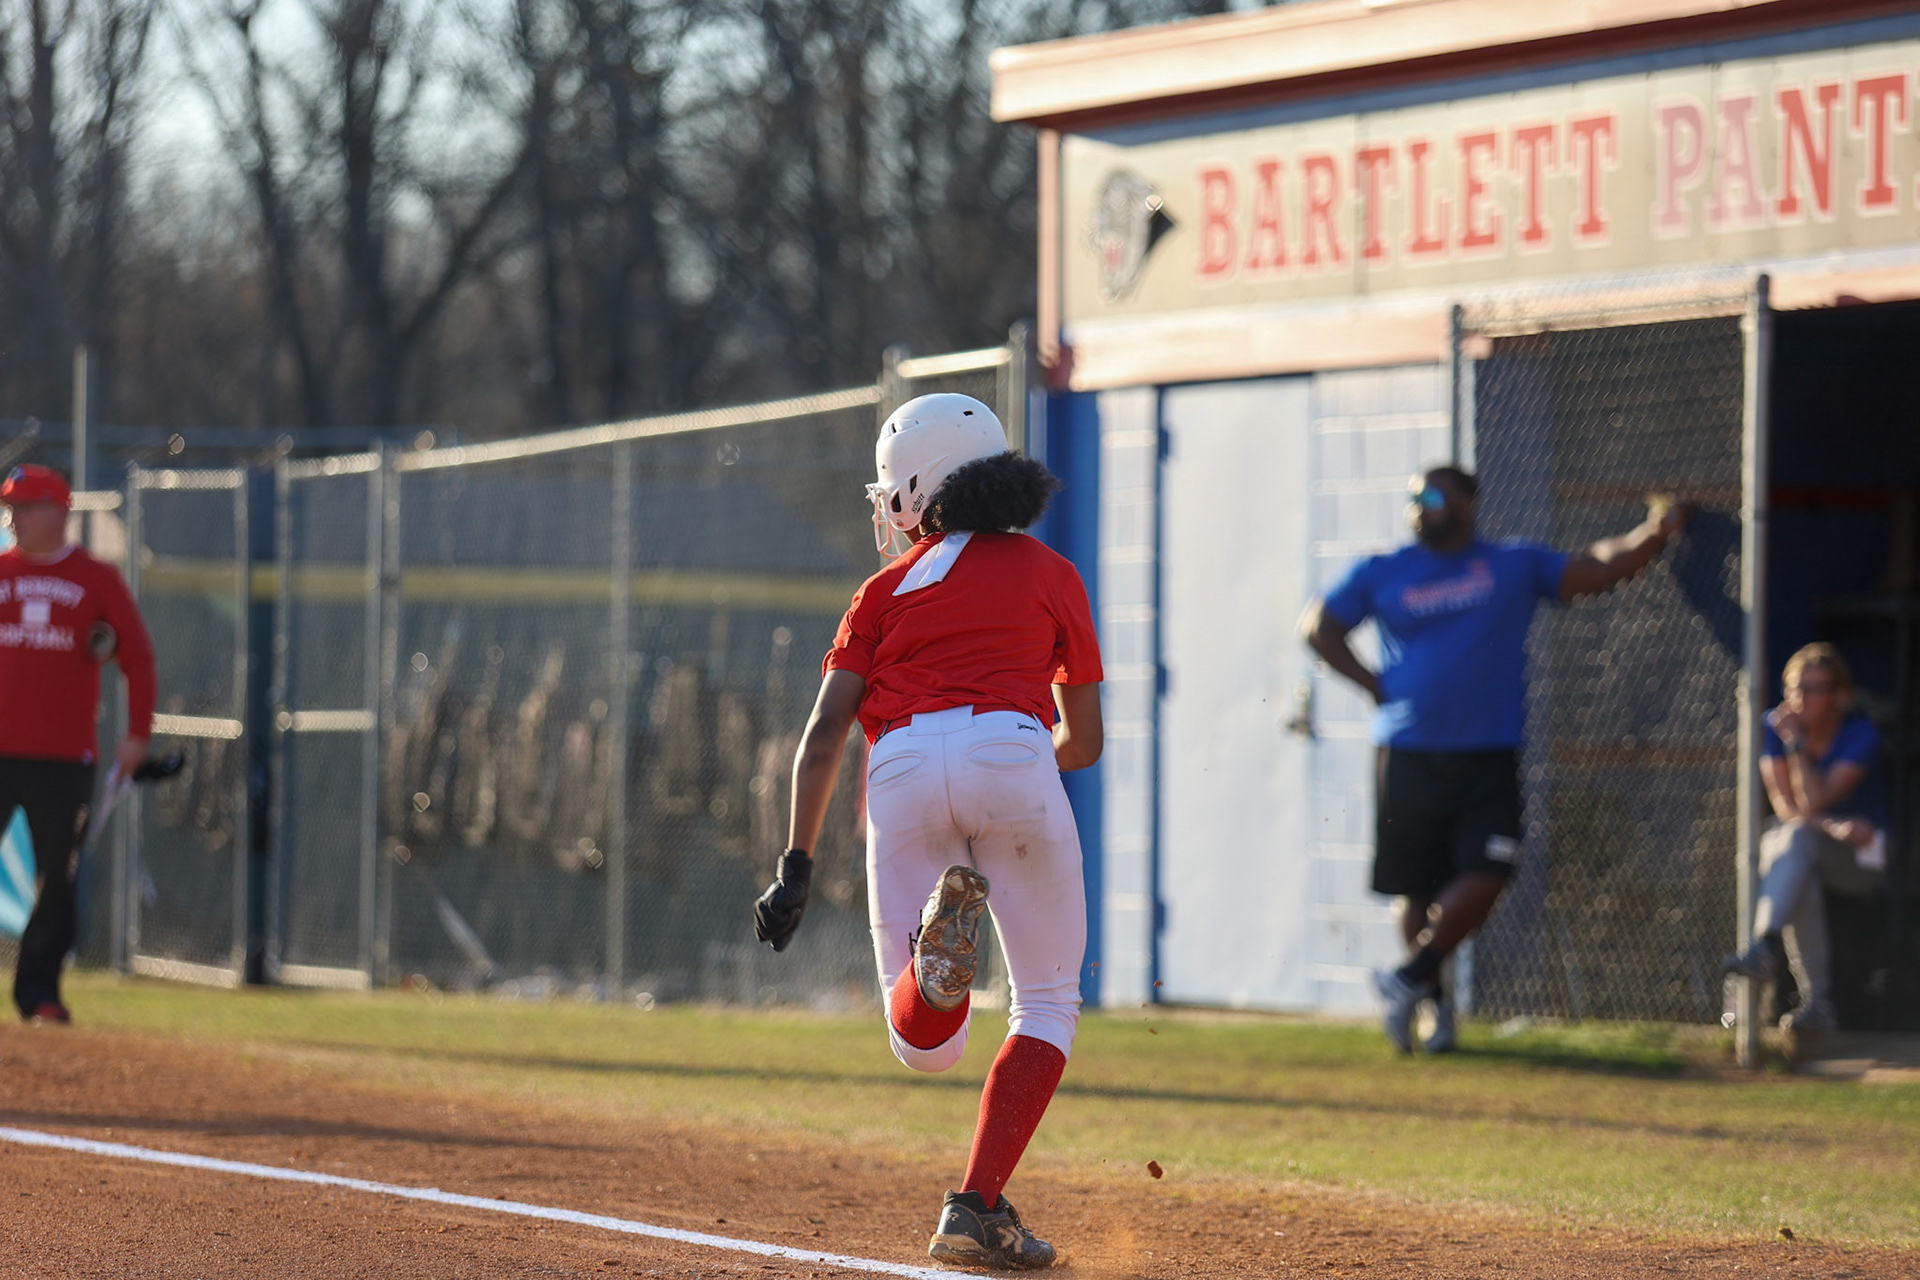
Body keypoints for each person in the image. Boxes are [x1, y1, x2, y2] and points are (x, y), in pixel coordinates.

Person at [752, 394, 1102, 1271]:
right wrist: (1014, 778)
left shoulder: (880, 592)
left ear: (918, 487)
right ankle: (975, 1205)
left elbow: (825, 734)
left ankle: (936, 976)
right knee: (1048, 1004)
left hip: (900, 766)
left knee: (923, 1046)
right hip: (1018, 749)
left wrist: (794, 865)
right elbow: (1085, 741)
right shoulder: (1052, 572)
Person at [1301, 465, 1690, 1053]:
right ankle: (1430, 1004)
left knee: (1492, 870)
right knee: (1415, 889)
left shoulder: (1510, 564)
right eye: (1412, 498)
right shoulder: (1385, 571)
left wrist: (1653, 535)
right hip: (1408, 751)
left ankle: (1408, 976)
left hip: (1487, 752)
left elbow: (1596, 567)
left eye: (1433, 496)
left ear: (1467, 503)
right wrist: (1372, 684)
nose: (1420, 507)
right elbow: (1319, 627)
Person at [1, 464, 156, 1024]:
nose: (15, 516)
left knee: (57, 881)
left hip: (64, 758)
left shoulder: (96, 579)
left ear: (60, 511)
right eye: (11, 506)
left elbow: (136, 657)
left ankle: (38, 994)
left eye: (27, 506)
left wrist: (137, 733)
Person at [1721, 643, 1886, 1039]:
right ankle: (1816, 1004)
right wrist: (1832, 826)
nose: (1800, 699)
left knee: (1793, 842)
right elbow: (1785, 807)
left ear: (1839, 695)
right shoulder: (1773, 725)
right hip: (1814, 845)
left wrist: (1795, 745)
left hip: (1863, 857)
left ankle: (1765, 948)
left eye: (1815, 689)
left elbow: (1810, 802)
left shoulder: (1860, 732)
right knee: (1797, 857)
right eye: (1795, 688)